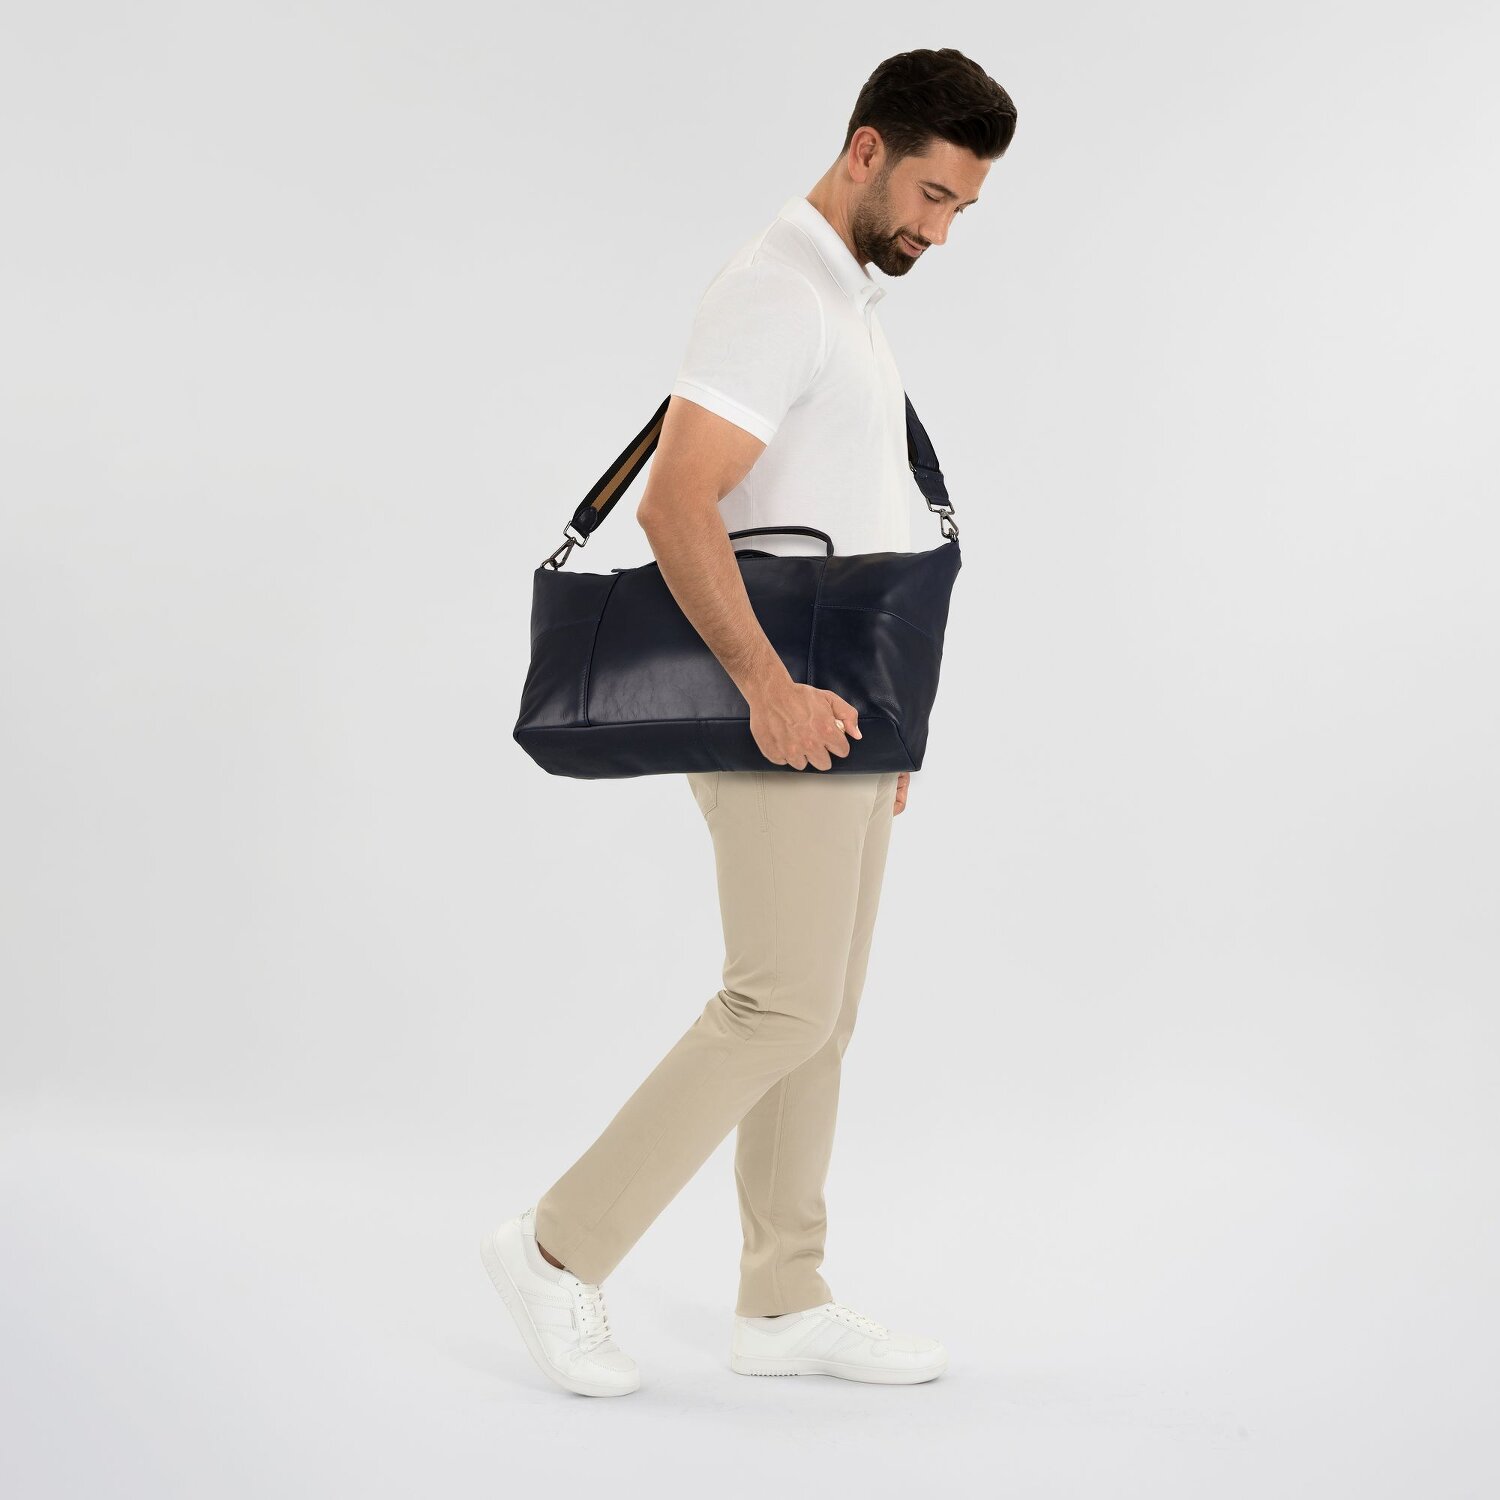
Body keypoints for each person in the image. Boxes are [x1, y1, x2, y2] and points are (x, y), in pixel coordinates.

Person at [483, 47, 1016, 1398]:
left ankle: (782, 1299)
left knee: (818, 1019)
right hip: (775, 708)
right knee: (776, 1004)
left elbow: (840, 514)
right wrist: (769, 692)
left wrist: (883, 728)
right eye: (933, 195)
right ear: (864, 148)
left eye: (963, 209)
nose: (941, 231)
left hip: (841, 715)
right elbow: (676, 503)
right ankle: (552, 1252)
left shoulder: (844, 295)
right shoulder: (777, 291)